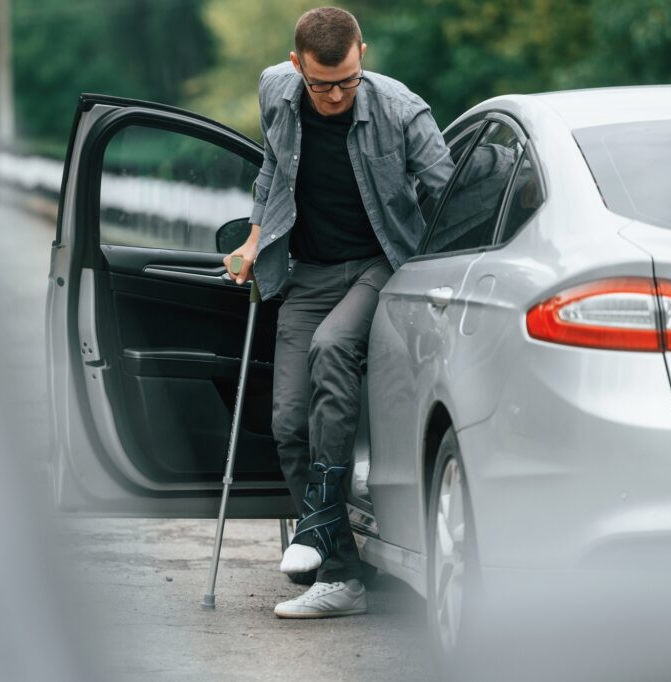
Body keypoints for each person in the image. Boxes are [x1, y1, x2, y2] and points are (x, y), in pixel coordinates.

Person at [223, 6, 455, 619]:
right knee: (287, 424)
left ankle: (318, 527)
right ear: (297, 65)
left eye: (347, 80)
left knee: (332, 347)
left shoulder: (402, 111)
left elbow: (447, 195)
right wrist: (252, 240)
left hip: (381, 264)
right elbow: (273, 166)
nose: (335, 94)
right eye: (321, 83)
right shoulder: (277, 89)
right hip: (310, 272)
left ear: (362, 55)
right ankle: (341, 576)